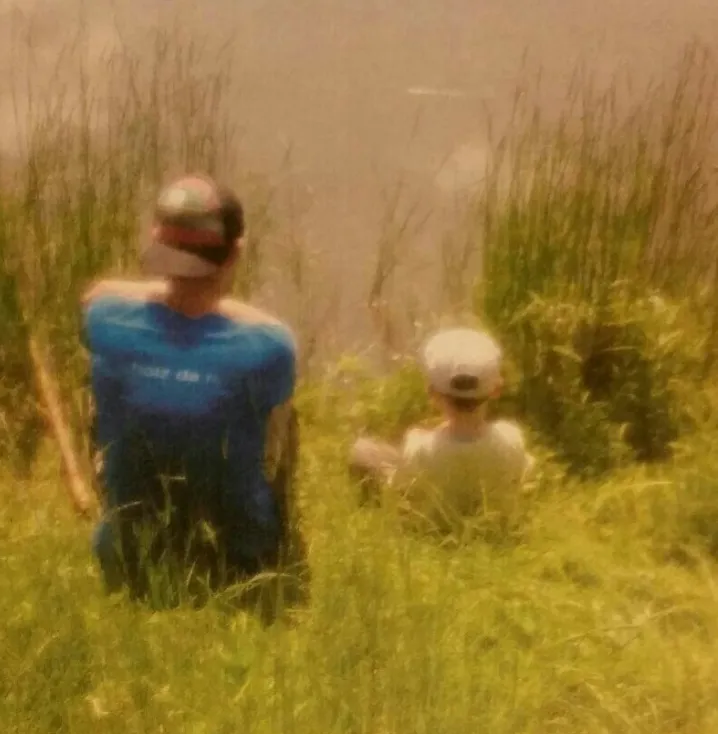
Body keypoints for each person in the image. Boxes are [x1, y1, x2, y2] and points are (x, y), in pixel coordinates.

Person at [80, 173, 307, 616]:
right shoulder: (271, 345)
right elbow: (275, 450)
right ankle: (275, 534)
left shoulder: (103, 320)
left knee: (105, 400)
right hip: (238, 564)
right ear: (235, 253)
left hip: (129, 560)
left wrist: (159, 291)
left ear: (155, 243)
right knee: (280, 423)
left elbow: (97, 293)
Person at [349, 327, 534, 529]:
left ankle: (370, 520)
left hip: (433, 527)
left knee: (362, 449)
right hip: (493, 524)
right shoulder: (511, 438)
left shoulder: (419, 446)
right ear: (496, 390)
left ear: (432, 393)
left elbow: (405, 489)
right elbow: (524, 475)